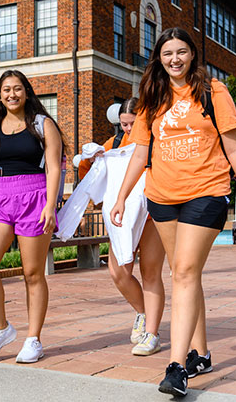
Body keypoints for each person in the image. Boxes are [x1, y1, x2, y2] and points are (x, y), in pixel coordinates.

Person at [110, 27, 236, 397]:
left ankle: (177, 366)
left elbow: (234, 148)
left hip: (207, 192)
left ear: (192, 54)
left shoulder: (213, 91)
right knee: (183, 274)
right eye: (167, 53)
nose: (174, 59)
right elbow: (141, 152)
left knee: (185, 273)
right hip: (162, 195)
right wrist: (121, 196)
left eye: (181, 52)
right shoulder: (152, 96)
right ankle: (203, 354)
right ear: (158, 58)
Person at [0, 69, 64, 364]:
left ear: (27, 92)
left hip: (34, 196)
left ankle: (33, 338)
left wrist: (50, 205)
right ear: (0, 95)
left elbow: (55, 167)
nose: (12, 94)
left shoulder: (42, 124)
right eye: (7, 89)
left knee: (32, 273)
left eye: (18, 88)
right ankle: (1, 328)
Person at [78, 98, 166, 356]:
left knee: (151, 273)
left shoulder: (156, 140)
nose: (128, 129)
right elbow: (90, 174)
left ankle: (152, 332)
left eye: (132, 124)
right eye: (124, 124)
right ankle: (142, 312)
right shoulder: (114, 143)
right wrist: (89, 159)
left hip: (152, 213)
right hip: (123, 213)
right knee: (118, 272)